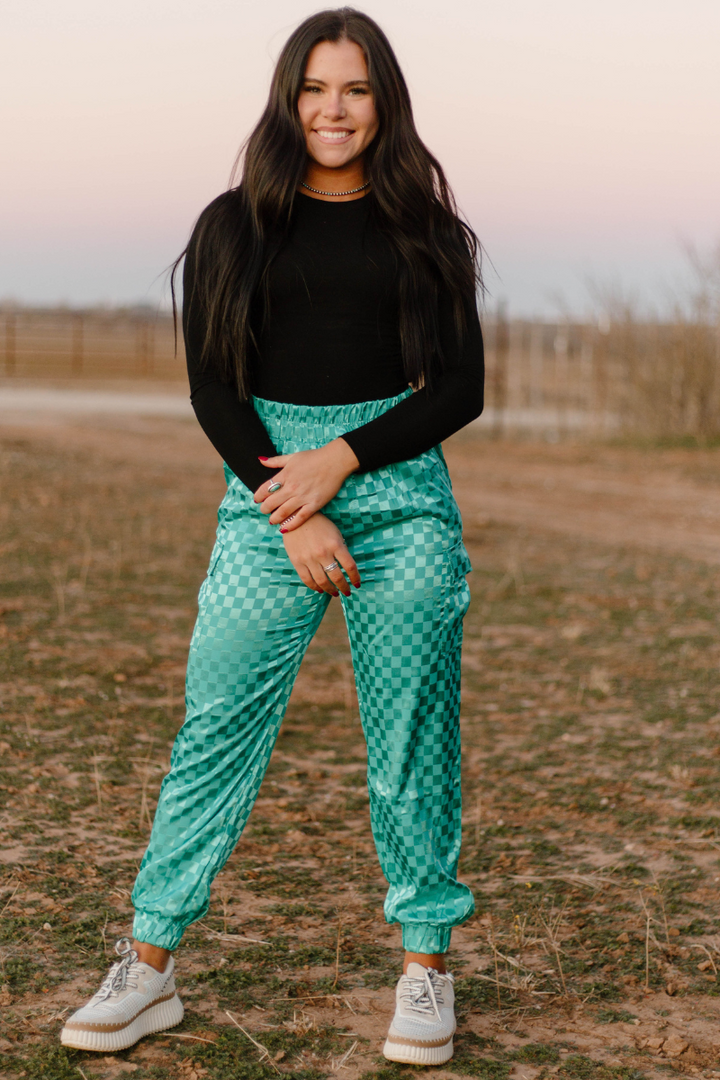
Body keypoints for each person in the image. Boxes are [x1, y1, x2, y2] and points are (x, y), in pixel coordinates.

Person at [61, 7, 484, 1067]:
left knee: (412, 735)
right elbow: (213, 388)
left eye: (355, 89)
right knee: (215, 728)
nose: (333, 110)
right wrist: (287, 504)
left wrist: (340, 461)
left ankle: (425, 969)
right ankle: (149, 966)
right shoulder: (232, 226)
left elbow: (461, 390)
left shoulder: (426, 230)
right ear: (288, 100)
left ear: (383, 103)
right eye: (314, 89)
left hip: (400, 498)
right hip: (267, 506)